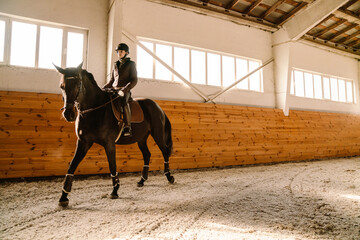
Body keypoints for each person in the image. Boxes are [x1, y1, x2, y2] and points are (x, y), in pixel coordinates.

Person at [103, 43, 138, 137]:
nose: (119, 53)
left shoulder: (131, 64)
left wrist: (124, 89)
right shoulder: (115, 64)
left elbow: (134, 80)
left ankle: (127, 127)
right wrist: (103, 88)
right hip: (113, 89)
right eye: (118, 51)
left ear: (126, 52)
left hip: (124, 90)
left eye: (121, 51)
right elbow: (111, 81)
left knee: (124, 102)